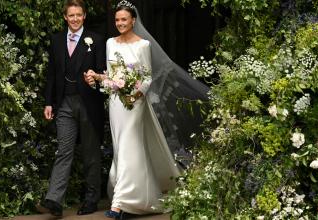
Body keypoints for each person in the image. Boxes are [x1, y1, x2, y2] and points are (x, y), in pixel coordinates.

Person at [85, 1, 209, 218]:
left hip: (135, 103)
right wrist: (98, 78)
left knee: (128, 146)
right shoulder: (110, 43)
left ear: (133, 20)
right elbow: (111, 76)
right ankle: (136, 197)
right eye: (117, 20)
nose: (120, 23)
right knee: (121, 147)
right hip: (116, 102)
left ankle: (119, 203)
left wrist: (136, 95)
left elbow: (147, 77)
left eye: (124, 19)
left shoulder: (143, 45)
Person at [36, 0, 106, 217]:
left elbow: (104, 72)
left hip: (89, 103)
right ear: (65, 17)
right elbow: (52, 74)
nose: (75, 19)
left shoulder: (96, 39)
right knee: (63, 151)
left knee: (90, 153)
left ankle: (92, 199)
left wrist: (94, 79)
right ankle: (54, 201)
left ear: (84, 16)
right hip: (64, 103)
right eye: (71, 15)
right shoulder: (56, 40)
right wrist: (48, 102)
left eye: (78, 15)